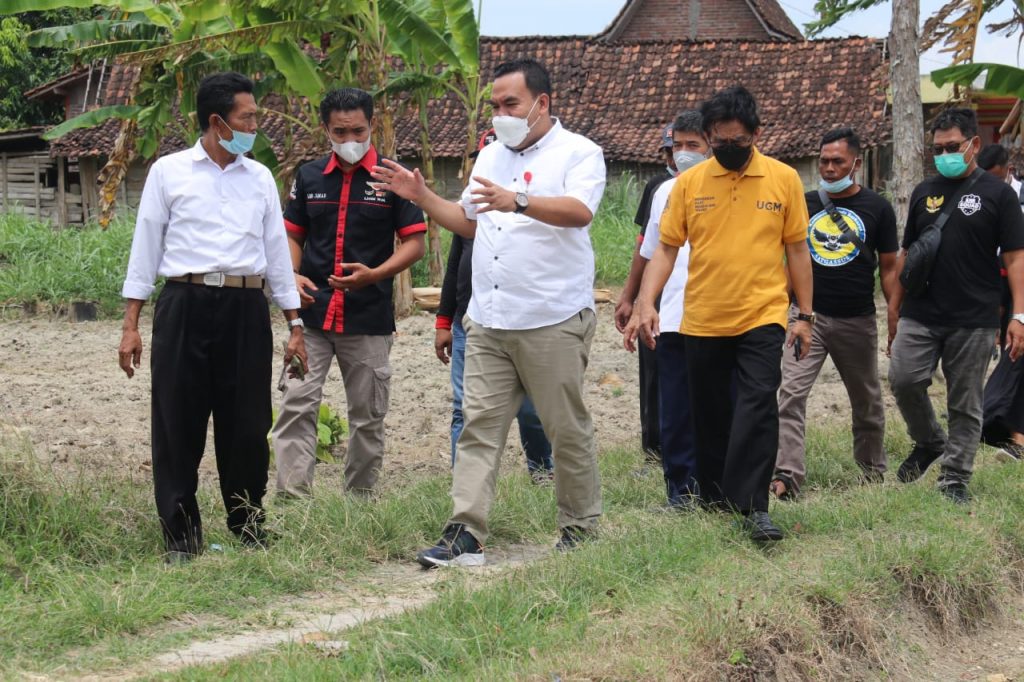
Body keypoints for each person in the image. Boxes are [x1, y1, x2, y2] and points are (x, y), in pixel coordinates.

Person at [373, 58, 607, 566]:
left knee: (564, 427)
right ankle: (466, 536)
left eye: (511, 104)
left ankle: (580, 528)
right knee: (477, 426)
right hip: (489, 318)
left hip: (552, 316)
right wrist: (423, 196)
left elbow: (579, 212)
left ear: (541, 104)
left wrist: (518, 199)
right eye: (495, 105)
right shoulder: (489, 158)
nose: (500, 113)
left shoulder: (580, 152)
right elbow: (471, 223)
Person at [118, 72, 307, 563]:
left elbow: (277, 259)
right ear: (218, 122)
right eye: (248, 117)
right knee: (177, 419)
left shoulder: (260, 176)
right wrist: (131, 324)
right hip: (185, 303)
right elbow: (146, 248)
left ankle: (248, 525)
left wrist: (295, 325)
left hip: (246, 309)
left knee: (246, 422)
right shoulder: (169, 172)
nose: (256, 125)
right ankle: (181, 537)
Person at [625, 86, 812, 543]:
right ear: (709, 137)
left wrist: (803, 313)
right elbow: (666, 249)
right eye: (720, 141)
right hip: (703, 316)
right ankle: (713, 497)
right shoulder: (688, 184)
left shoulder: (784, 179)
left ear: (756, 134)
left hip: (762, 314)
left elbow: (797, 251)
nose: (729, 149)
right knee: (708, 412)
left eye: (738, 142)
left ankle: (754, 507)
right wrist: (647, 301)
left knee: (757, 405)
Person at [273, 87, 426, 497]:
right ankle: (293, 501)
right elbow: (292, 235)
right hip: (311, 319)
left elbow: (415, 243)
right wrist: (290, 274)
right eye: (340, 132)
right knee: (296, 405)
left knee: (368, 415)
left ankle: (358, 500)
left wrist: (374, 274)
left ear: (371, 125)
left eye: (358, 130)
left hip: (368, 318)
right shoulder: (307, 177)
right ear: (326, 129)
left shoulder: (395, 179)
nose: (350, 140)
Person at [888, 107, 1024, 504]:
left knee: (965, 402)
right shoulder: (922, 192)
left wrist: (1018, 314)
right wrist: (894, 309)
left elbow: (1016, 259)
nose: (944, 154)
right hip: (920, 312)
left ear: (974, 145)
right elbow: (906, 253)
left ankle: (954, 477)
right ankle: (930, 441)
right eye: (938, 148)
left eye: (953, 146)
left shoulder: (999, 195)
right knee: (903, 379)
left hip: (975, 318)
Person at [770, 127, 900, 499]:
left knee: (867, 400)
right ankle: (787, 477)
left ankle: (872, 472)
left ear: (855, 163)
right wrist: (786, 310)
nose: (828, 168)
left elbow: (889, 268)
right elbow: (787, 259)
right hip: (806, 319)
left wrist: (893, 313)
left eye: (837, 161)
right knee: (791, 395)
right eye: (824, 161)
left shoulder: (877, 208)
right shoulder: (803, 202)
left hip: (857, 320)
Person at [435, 130, 554, 481]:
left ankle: (542, 469)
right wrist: (444, 320)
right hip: (468, 321)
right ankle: (466, 481)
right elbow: (456, 267)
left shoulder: (532, 209)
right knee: (464, 408)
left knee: (531, 409)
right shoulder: (468, 215)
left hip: (522, 321)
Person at [622, 110, 709, 507]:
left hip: (720, 314)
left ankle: (720, 488)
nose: (685, 153)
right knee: (673, 410)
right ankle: (681, 494)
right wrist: (640, 303)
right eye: (679, 146)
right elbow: (651, 251)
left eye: (695, 145)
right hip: (672, 314)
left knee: (715, 407)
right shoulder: (663, 193)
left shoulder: (729, 189)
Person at [615, 122, 676, 465]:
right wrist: (632, 297)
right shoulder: (658, 188)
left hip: (701, 297)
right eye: (670, 150)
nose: (676, 156)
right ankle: (654, 450)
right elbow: (645, 246)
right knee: (652, 371)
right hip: (659, 294)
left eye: (685, 146)